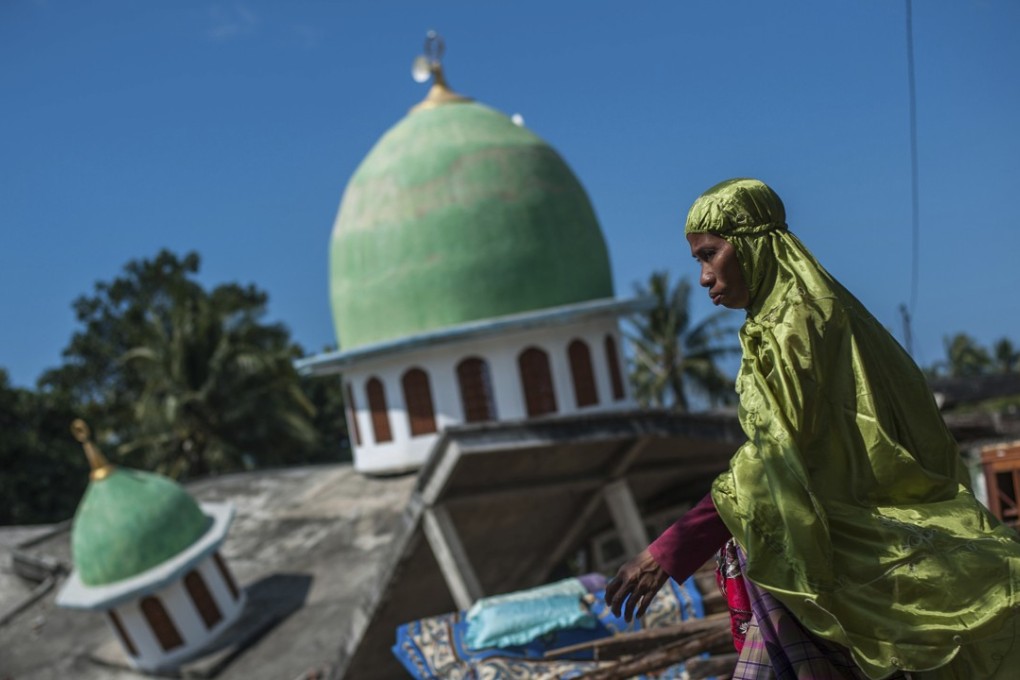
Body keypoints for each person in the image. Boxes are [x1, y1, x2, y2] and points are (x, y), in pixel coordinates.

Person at [605, 178, 1020, 679]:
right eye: (698, 260)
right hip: (822, 558)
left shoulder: (793, 325)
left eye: (710, 254)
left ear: (753, 244)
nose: (703, 277)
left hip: (850, 560)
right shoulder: (792, 319)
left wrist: (667, 552)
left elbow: (771, 462)